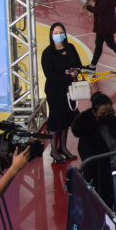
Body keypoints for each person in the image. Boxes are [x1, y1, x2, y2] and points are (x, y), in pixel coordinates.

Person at [70, 92, 116, 209]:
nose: (107, 116)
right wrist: (110, 175)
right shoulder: (87, 134)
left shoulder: (113, 122)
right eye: (103, 114)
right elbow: (92, 164)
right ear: (94, 113)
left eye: (110, 112)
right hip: (100, 180)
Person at [40, 23, 82, 163]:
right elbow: (49, 75)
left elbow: (78, 64)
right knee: (55, 120)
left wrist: (75, 72)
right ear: (51, 35)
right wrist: (66, 76)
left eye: (61, 32)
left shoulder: (70, 48)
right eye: (55, 32)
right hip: (55, 91)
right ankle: (53, 150)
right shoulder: (47, 53)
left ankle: (63, 148)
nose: (59, 35)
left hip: (69, 89)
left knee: (65, 119)